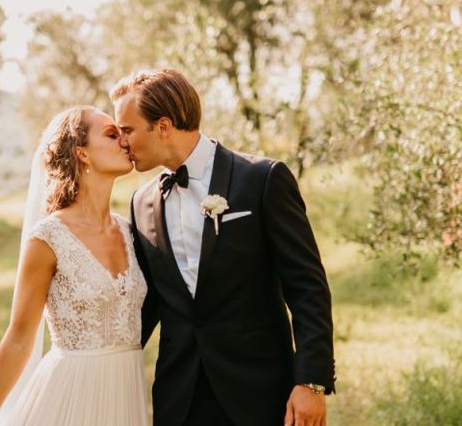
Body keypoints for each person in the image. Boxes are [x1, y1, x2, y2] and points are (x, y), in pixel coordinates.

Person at [113, 69, 336, 426]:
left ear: (164, 126)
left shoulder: (263, 179)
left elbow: (307, 287)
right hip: (180, 395)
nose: (121, 141)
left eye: (127, 130)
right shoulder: (141, 203)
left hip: (260, 390)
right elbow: (148, 300)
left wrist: (311, 381)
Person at [0, 106, 149, 426]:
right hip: (68, 400)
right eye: (111, 134)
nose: (124, 141)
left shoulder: (129, 231)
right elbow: (19, 338)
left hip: (124, 399)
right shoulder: (49, 238)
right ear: (82, 153)